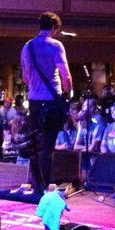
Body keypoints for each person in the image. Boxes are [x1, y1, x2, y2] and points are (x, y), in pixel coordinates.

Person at [20, 12, 73, 195]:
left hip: (34, 101)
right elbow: (65, 75)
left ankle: (36, 185)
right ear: (54, 28)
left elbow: (25, 77)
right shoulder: (56, 45)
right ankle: (44, 188)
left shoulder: (27, 47)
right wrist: (68, 94)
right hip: (52, 101)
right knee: (48, 147)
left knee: (35, 145)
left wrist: (37, 83)